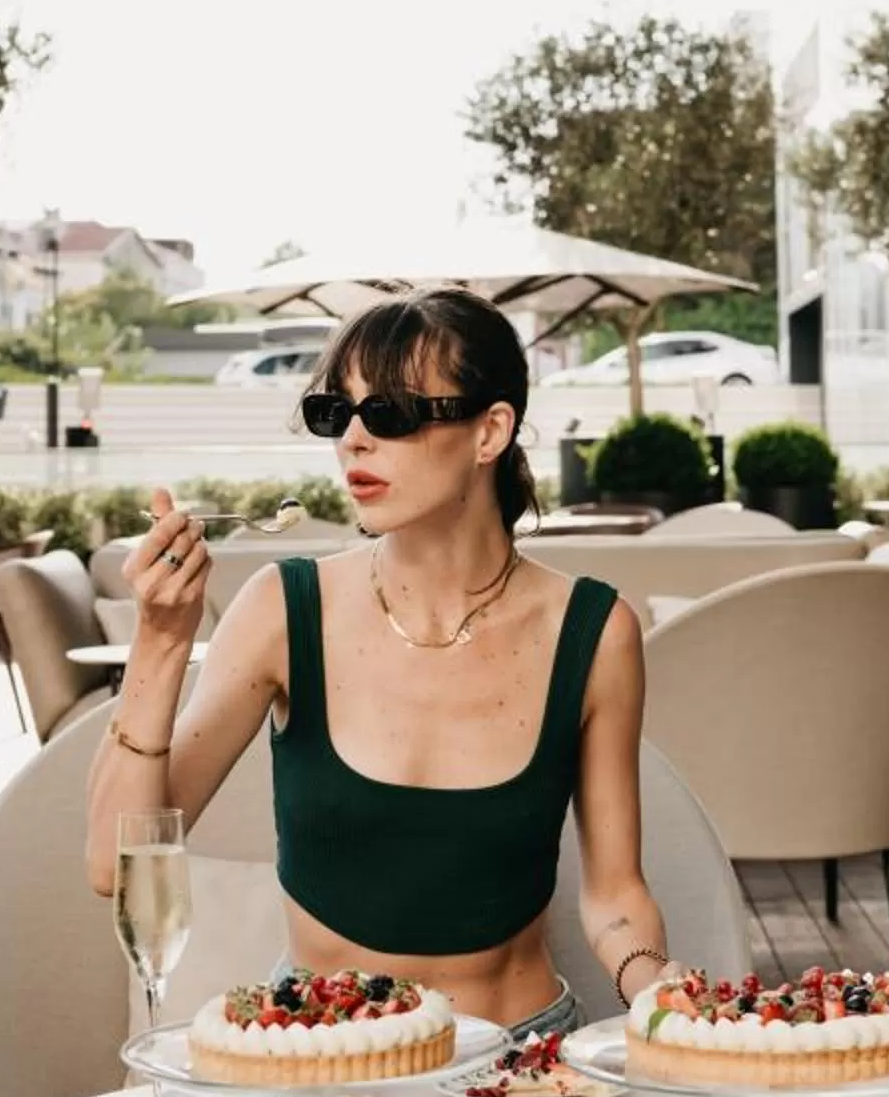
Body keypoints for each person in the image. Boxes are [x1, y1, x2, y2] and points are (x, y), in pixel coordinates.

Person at [84, 288, 681, 1040]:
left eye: (391, 414)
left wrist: (656, 987)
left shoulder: (594, 633)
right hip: (322, 1061)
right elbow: (115, 867)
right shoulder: (284, 609)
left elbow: (616, 897)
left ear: (491, 430)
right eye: (338, 413)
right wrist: (162, 641)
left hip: (521, 1060)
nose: (354, 442)